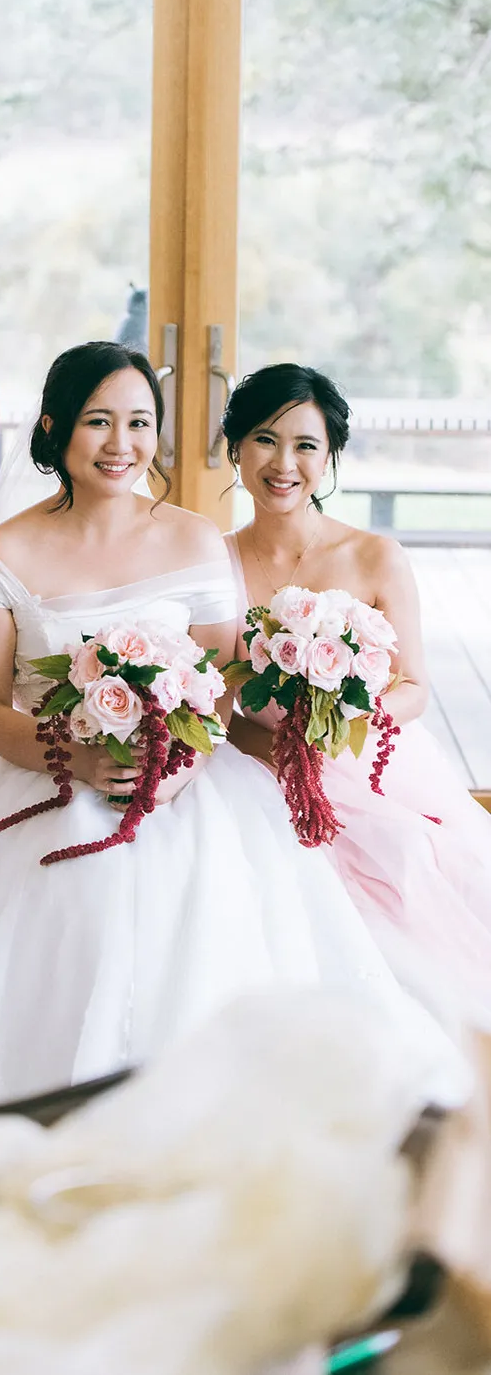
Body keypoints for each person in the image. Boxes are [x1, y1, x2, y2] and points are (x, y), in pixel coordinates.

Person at [0, 342, 461, 1109]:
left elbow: (213, 692)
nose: (121, 444)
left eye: (139, 423)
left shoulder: (195, 539)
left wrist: (184, 764)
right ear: (54, 428)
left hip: (190, 788)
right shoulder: (3, 553)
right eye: (99, 422)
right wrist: (71, 756)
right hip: (45, 777)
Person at [223, 362, 491, 1023]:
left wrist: (339, 711)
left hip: (363, 758)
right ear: (232, 449)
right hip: (251, 763)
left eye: (306, 445)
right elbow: (214, 685)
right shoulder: (213, 558)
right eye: (263, 439)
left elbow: (413, 686)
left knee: (408, 857)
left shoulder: (374, 556)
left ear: (331, 456)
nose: (283, 462)